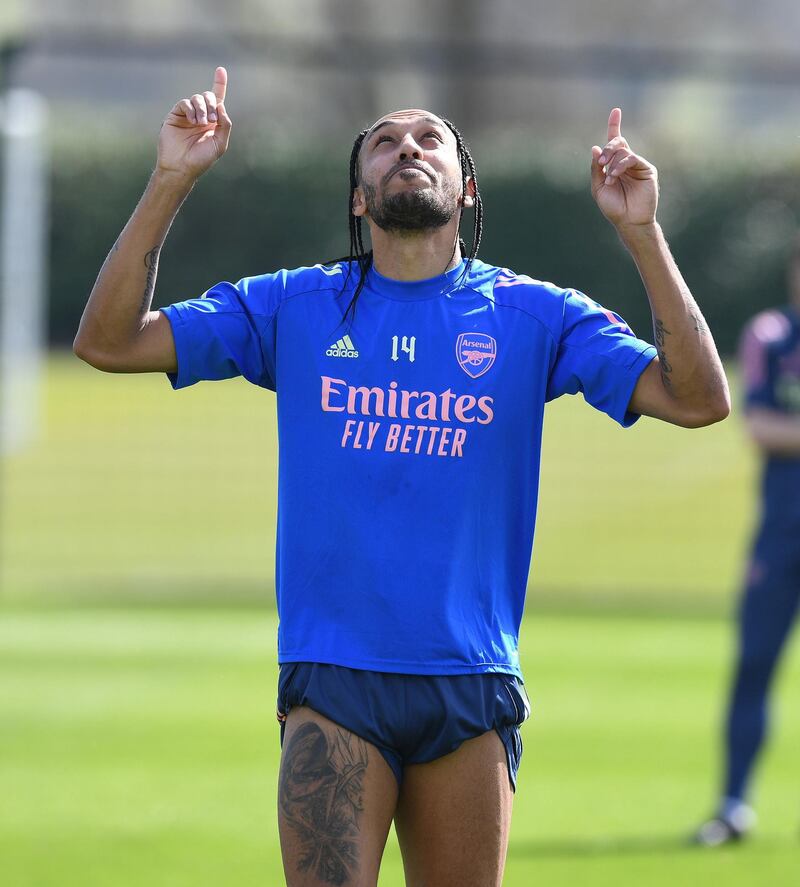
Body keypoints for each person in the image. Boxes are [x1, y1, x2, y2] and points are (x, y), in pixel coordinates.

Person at [74, 67, 730, 886]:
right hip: (336, 683)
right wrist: (171, 180)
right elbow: (108, 342)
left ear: (466, 189)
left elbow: (700, 400)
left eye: (429, 141)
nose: (406, 149)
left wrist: (642, 234)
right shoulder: (292, 306)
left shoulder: (536, 313)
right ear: (359, 197)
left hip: (470, 683)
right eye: (384, 143)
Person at [694, 243, 800, 847]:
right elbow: (760, 426)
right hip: (781, 535)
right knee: (755, 664)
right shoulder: (774, 335)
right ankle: (733, 805)